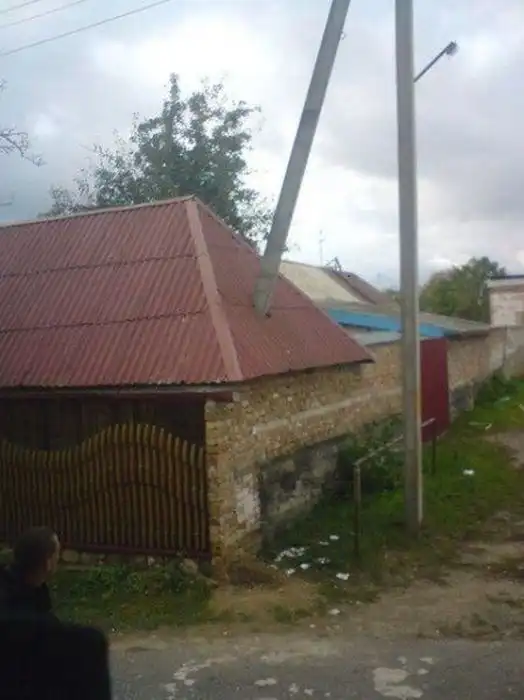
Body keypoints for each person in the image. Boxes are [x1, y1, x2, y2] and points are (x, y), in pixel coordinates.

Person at [0, 526, 60, 618]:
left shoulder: (36, 589)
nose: (58, 558)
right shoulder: (16, 605)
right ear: (48, 562)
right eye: (57, 554)